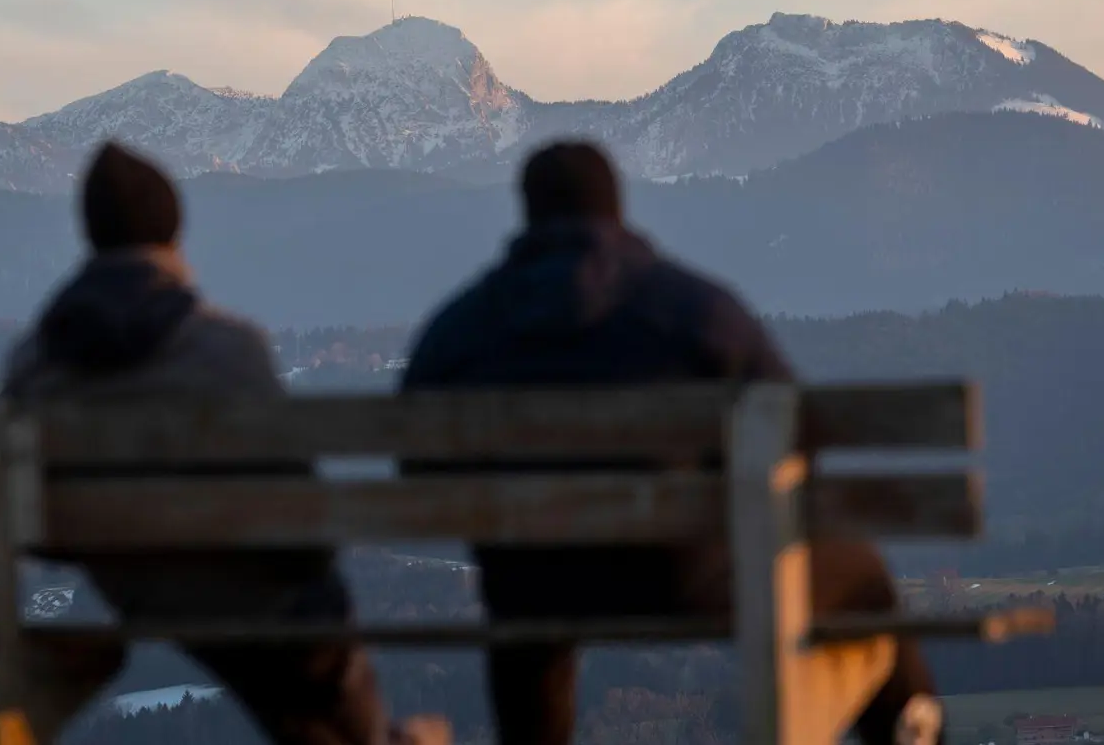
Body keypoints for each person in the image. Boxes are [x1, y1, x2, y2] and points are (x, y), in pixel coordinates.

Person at [399, 140, 942, 745]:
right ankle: (912, 732)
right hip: (685, 574)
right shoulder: (690, 307)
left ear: (527, 212)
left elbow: (416, 462)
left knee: (527, 611)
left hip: (533, 579)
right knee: (862, 575)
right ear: (617, 210)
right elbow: (794, 431)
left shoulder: (462, 326)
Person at [1, 140, 388, 745]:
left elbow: (27, 522)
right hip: (251, 594)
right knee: (314, 661)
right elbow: (296, 503)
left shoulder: (33, 364)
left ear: (92, 237)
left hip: (127, 586)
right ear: (175, 231)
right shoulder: (228, 348)